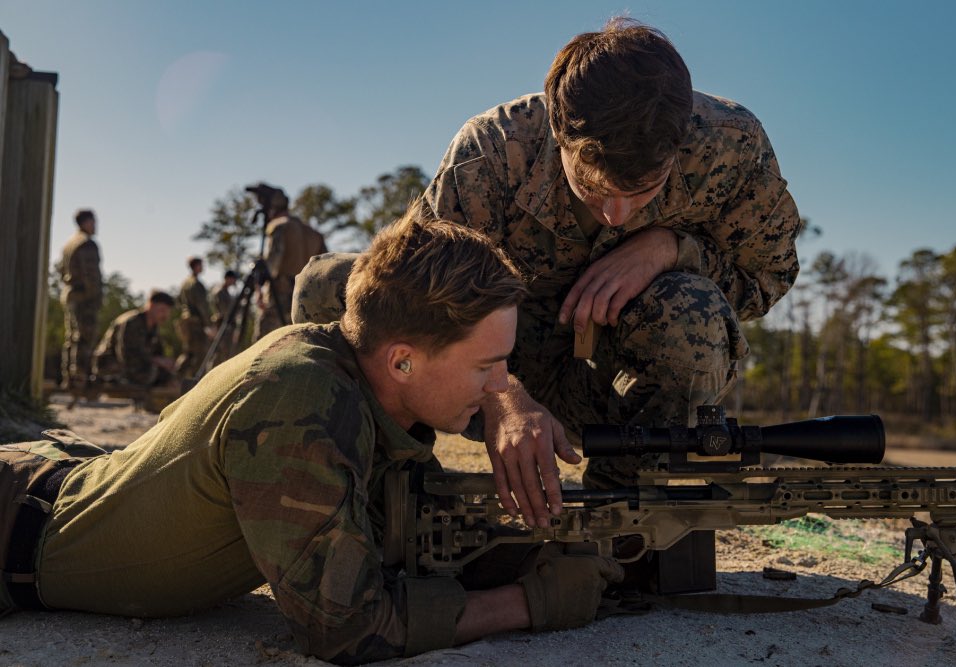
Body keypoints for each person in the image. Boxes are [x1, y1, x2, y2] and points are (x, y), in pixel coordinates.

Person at [0, 207, 623, 664]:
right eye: (486, 366)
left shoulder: (359, 378)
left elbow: (400, 523)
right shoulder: (301, 402)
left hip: (56, 482)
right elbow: (346, 628)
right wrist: (529, 603)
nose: (501, 388)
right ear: (402, 361)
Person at [293, 17, 802, 530]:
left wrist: (672, 248)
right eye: (595, 190)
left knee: (694, 314)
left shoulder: (730, 147)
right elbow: (417, 295)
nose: (617, 217)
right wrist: (502, 394)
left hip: (616, 397)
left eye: (644, 191)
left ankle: (623, 521)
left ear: (680, 142)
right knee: (327, 289)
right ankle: (383, 487)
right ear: (558, 135)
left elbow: (767, 275)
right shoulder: (493, 149)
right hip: (480, 379)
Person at [255, 186, 327, 340]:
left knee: (264, 344)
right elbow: (325, 268)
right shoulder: (313, 233)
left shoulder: (279, 226)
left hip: (279, 296)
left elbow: (271, 266)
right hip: (307, 300)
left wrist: (259, 288)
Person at [56, 209, 103, 390]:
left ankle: (69, 377)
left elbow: (61, 270)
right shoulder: (87, 244)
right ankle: (79, 379)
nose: (95, 225)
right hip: (85, 298)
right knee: (84, 338)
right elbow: (92, 275)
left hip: (71, 294)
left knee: (72, 338)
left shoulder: (69, 244)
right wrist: (95, 297)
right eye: (93, 221)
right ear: (85, 222)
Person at [91, 290, 176, 387]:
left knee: (167, 375)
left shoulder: (153, 327)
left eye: (167, 312)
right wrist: (156, 361)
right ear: (151, 305)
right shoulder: (132, 322)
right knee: (149, 373)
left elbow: (158, 353)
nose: (165, 315)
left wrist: (166, 363)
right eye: (162, 310)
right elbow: (127, 354)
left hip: (132, 366)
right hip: (109, 365)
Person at [175, 256, 213, 379]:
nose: (203, 267)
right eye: (201, 265)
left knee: (188, 352)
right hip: (196, 324)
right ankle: (195, 382)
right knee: (200, 355)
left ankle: (177, 376)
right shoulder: (196, 284)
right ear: (196, 266)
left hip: (186, 322)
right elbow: (202, 307)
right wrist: (208, 325)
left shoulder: (184, 283)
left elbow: (179, 301)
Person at [210, 269, 239, 362]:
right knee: (220, 353)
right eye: (233, 279)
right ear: (228, 278)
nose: (234, 281)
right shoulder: (220, 291)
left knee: (226, 353)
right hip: (222, 324)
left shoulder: (225, 291)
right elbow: (225, 310)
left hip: (225, 324)